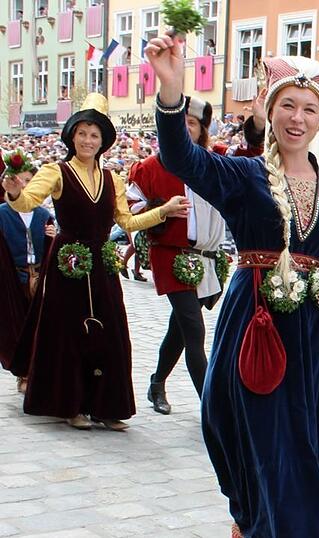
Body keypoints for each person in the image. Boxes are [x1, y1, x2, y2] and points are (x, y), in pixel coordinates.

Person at [148, 32, 319, 536]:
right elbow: (182, 159)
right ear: (271, 112)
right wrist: (173, 92)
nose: (298, 118)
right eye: (287, 105)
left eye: (309, 109)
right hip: (257, 326)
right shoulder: (245, 175)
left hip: (312, 339)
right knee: (268, 442)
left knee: (302, 442)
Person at [3, 93, 190, 431]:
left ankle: (107, 406)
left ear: (102, 141)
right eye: (83, 133)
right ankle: (70, 404)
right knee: (69, 333)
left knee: (110, 333)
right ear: (72, 136)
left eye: (94, 134)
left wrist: (162, 211)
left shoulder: (113, 179)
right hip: (67, 265)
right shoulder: (55, 172)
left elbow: (127, 222)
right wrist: (15, 192)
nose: (88, 140)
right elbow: (28, 201)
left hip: (102, 267)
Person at [129, 95, 226, 416]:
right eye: (181, 123)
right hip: (170, 256)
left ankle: (157, 382)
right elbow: (131, 211)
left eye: (193, 125)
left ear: (202, 131)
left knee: (180, 329)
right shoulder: (149, 167)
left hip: (206, 258)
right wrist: (161, 209)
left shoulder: (209, 163)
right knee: (194, 329)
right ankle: (213, 409)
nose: (187, 130)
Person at [0, 155, 54, 394]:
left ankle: (41, 372)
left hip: (40, 275)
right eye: (19, 181)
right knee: (18, 328)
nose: (23, 185)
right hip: (15, 277)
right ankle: (23, 373)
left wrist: (54, 237)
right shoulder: (2, 213)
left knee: (42, 327)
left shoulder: (43, 215)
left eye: (29, 181)